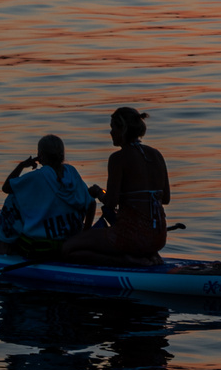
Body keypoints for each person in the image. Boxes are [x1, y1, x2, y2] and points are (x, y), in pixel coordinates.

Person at [61, 107, 171, 265]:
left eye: (113, 128)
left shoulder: (118, 159)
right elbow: (165, 199)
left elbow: (111, 202)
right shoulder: (156, 155)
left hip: (129, 236)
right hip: (158, 238)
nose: (111, 133)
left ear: (123, 129)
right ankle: (146, 255)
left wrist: (98, 192)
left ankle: (128, 260)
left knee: (68, 249)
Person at [0, 135, 94, 257]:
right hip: (70, 238)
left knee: (13, 197)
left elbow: (7, 187)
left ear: (40, 156)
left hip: (43, 243)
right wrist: (85, 234)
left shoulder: (37, 176)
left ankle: (5, 245)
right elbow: (91, 203)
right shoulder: (71, 173)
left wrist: (22, 165)